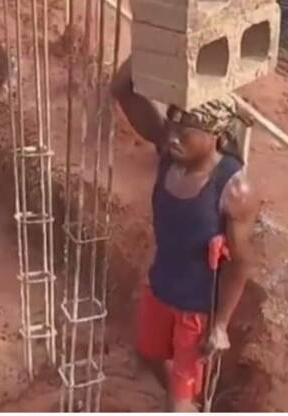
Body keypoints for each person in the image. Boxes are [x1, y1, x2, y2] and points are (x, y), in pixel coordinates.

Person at [110, 60, 258, 412]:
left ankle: (184, 403)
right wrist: (158, 34)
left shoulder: (234, 189)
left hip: (197, 310)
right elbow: (121, 89)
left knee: (178, 402)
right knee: (147, 354)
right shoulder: (169, 152)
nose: (172, 135)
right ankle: (186, 402)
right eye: (172, 122)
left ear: (215, 136)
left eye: (185, 129)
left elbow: (240, 264)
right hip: (159, 289)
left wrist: (219, 325)